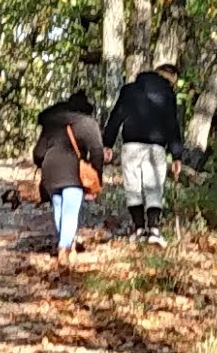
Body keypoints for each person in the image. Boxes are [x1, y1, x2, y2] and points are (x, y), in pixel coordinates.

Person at [107, 56, 184, 236]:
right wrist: (177, 154)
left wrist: (107, 143)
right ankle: (154, 229)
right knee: (154, 187)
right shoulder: (168, 95)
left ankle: (139, 227)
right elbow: (172, 125)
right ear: (171, 78)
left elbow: (116, 116)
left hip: (131, 144)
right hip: (156, 147)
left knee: (132, 186)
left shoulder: (129, 90)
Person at [32, 94, 106, 265]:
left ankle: (64, 243)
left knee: (59, 207)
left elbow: (38, 153)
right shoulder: (88, 124)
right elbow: (97, 152)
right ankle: (64, 247)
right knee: (70, 211)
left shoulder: (52, 124)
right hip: (73, 172)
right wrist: (97, 177)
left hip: (50, 172)